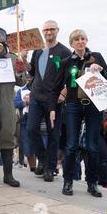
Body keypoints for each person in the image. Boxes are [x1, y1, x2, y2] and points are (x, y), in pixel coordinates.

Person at [52, 29, 107, 197]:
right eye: (76, 39)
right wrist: (53, 107)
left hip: (92, 106)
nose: (80, 42)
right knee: (71, 146)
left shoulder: (96, 57)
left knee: (92, 146)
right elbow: (56, 86)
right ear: (72, 43)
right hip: (73, 106)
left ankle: (92, 183)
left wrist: (100, 71)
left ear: (86, 40)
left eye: (83, 39)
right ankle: (68, 181)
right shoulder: (66, 62)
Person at [26, 20, 71, 182]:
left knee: (53, 134)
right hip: (36, 97)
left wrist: (63, 94)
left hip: (54, 99)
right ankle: (44, 160)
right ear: (42, 31)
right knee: (31, 129)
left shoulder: (65, 52)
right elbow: (31, 71)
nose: (49, 32)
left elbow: (70, 76)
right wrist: (23, 61)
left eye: (52, 29)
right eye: (46, 29)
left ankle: (50, 168)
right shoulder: (37, 50)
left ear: (57, 30)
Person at [0, 28, 26, 188]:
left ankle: (8, 175)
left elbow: (21, 82)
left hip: (8, 101)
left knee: (8, 135)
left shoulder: (14, 58)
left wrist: (20, 71)